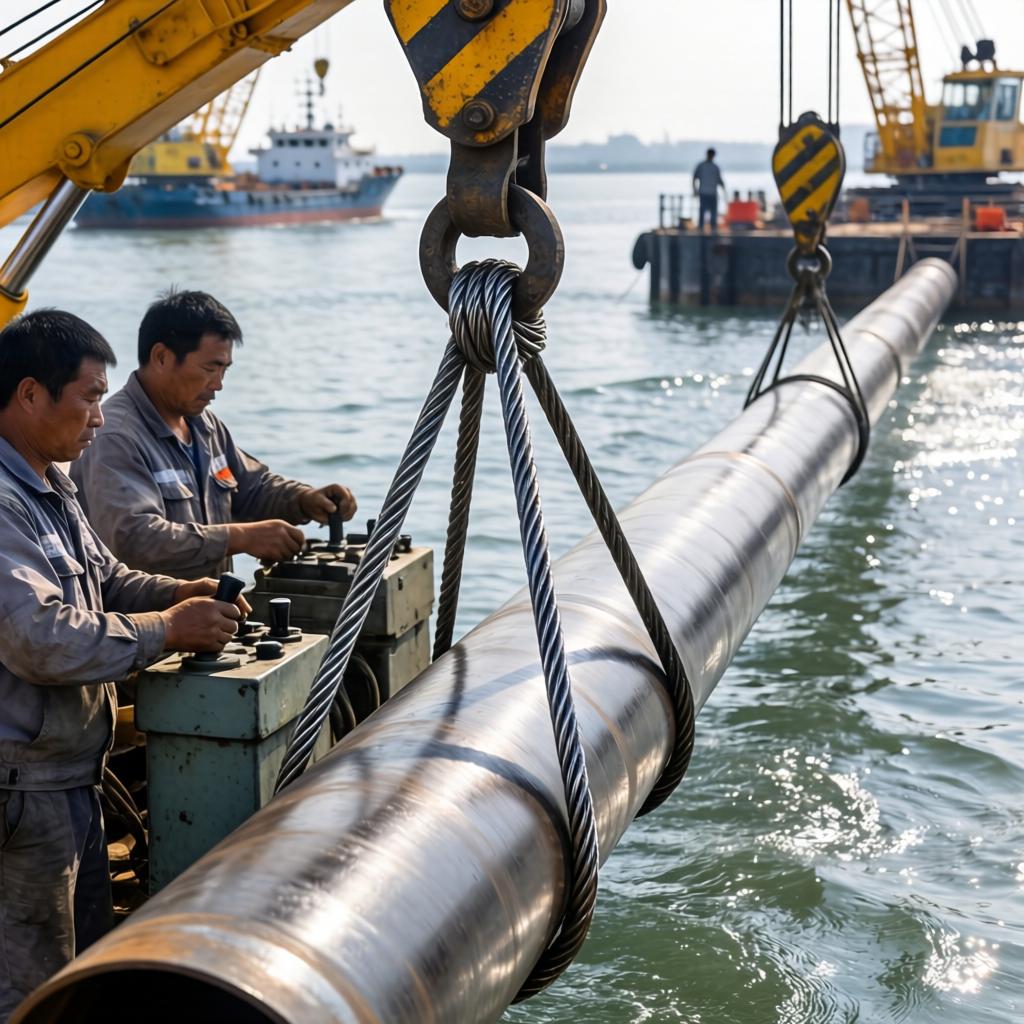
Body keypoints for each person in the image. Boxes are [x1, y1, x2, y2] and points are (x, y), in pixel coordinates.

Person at [0, 310, 247, 1019]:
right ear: (29, 395)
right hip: (21, 793)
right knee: (28, 989)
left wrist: (180, 593)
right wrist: (169, 629)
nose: (100, 420)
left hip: (69, 780)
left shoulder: (52, 485)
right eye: (88, 399)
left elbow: (107, 579)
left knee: (77, 972)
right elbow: (39, 637)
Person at [71, 290, 357, 580]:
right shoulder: (115, 437)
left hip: (212, 605)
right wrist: (239, 538)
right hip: (149, 609)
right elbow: (134, 539)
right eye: (210, 368)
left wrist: (304, 499)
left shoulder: (204, 425)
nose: (218, 384)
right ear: (161, 357)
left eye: (224, 370)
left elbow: (252, 488)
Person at [692, 147, 726, 234]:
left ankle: (713, 230)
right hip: (704, 193)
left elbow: (720, 180)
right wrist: (695, 190)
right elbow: (694, 178)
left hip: (712, 193)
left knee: (713, 213)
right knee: (703, 212)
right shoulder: (701, 166)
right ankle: (701, 230)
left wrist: (724, 191)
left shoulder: (715, 167)